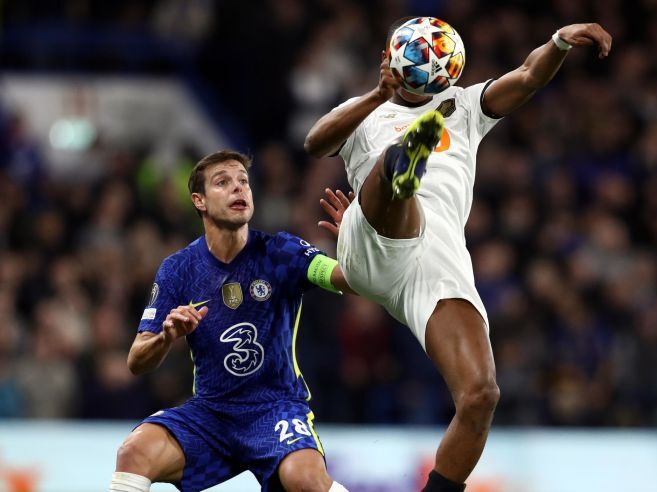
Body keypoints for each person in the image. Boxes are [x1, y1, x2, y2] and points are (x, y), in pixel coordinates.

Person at [306, 18, 612, 492]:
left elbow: (528, 75)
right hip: (374, 243)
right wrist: (377, 97)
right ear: (386, 60)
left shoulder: (465, 105)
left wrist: (559, 41)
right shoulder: (362, 111)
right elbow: (315, 142)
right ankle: (400, 169)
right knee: (394, 174)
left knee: (481, 394)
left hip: (438, 260)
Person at [109, 150, 349, 492]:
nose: (238, 188)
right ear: (200, 201)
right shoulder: (178, 269)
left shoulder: (281, 252)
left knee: (305, 480)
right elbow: (137, 361)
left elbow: (346, 279)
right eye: (223, 182)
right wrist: (166, 336)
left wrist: (357, 244)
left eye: (243, 182)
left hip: (275, 409)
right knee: (134, 452)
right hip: (212, 414)